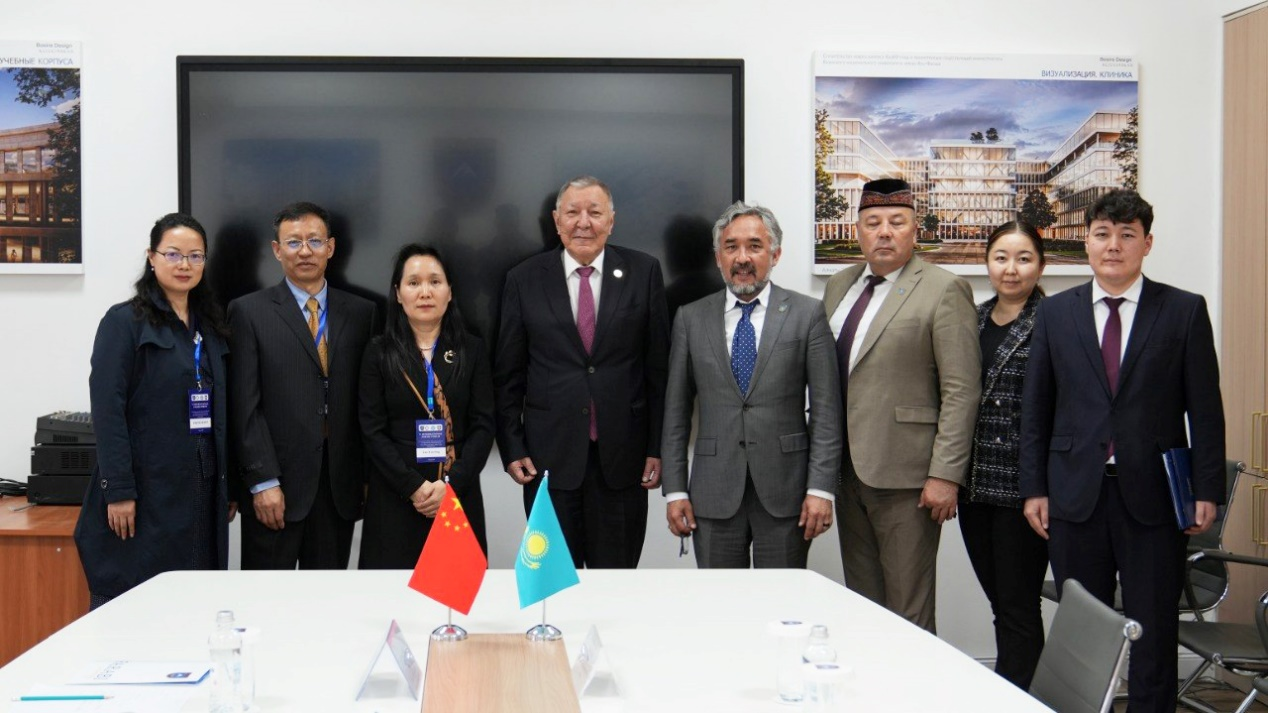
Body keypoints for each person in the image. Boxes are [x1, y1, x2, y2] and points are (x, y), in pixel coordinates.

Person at [1020, 189, 1225, 712]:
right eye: (1103, 234)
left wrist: (1207, 490)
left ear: (1146, 243)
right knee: (1082, 632)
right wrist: (1034, 489)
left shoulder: (1183, 311)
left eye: (1127, 235)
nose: (1114, 245)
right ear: (1086, 241)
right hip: (1074, 496)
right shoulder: (1055, 314)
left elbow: (1205, 409)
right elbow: (1037, 408)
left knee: (1153, 629)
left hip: (1154, 499)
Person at [822, 178, 980, 633]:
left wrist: (945, 474)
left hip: (909, 479)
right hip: (847, 471)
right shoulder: (839, 285)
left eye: (897, 222)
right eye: (873, 223)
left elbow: (962, 389)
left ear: (915, 229)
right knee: (863, 605)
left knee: (908, 612)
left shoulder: (944, 288)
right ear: (858, 231)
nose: (884, 232)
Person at [494, 175, 670, 568]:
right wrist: (512, 446)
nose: (583, 222)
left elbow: (658, 370)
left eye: (595, 212)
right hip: (548, 461)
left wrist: (656, 447)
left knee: (616, 584)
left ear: (612, 220)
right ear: (557, 221)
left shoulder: (644, 272)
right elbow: (508, 374)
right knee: (555, 582)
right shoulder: (524, 279)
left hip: (623, 460)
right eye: (573, 212)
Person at [661, 202, 840, 567]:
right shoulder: (690, 318)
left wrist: (821, 488)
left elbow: (826, 411)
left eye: (754, 246)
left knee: (782, 600)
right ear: (718, 257)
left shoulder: (807, 314)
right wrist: (675, 490)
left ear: (775, 254)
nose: (742, 258)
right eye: (731, 247)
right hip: (713, 492)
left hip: (787, 492)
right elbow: (676, 412)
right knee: (722, 600)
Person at [74, 213, 232, 607]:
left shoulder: (210, 326)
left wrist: (227, 486)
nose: (184, 265)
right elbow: (107, 410)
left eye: (195, 256)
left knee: (196, 597)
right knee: (138, 598)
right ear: (152, 257)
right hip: (146, 488)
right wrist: (119, 491)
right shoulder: (124, 322)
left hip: (202, 484)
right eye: (173, 254)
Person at [229, 201, 377, 570]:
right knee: (266, 597)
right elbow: (244, 406)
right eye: (294, 242)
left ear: (331, 247)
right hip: (275, 488)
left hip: (337, 488)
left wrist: (365, 477)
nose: (305, 251)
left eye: (315, 240)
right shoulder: (248, 312)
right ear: (277, 250)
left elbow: (368, 404)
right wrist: (263, 482)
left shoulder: (363, 313)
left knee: (327, 598)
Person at [358, 244, 494, 567]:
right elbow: (371, 429)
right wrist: (413, 487)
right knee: (393, 591)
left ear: (449, 292)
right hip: (396, 494)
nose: (425, 292)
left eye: (435, 282)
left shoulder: (471, 350)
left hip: (456, 492)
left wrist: (451, 486)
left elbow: (484, 424)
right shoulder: (379, 352)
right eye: (413, 282)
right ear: (398, 293)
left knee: (457, 589)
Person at [959, 220, 1048, 689]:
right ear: (987, 262)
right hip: (974, 486)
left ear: (1040, 265)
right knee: (1000, 602)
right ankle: (1018, 689)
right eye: (1001, 258)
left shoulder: (1055, 321)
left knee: (1018, 604)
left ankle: (1018, 694)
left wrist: (1041, 486)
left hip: (1025, 490)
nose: (1011, 269)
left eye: (1023, 258)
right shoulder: (970, 319)